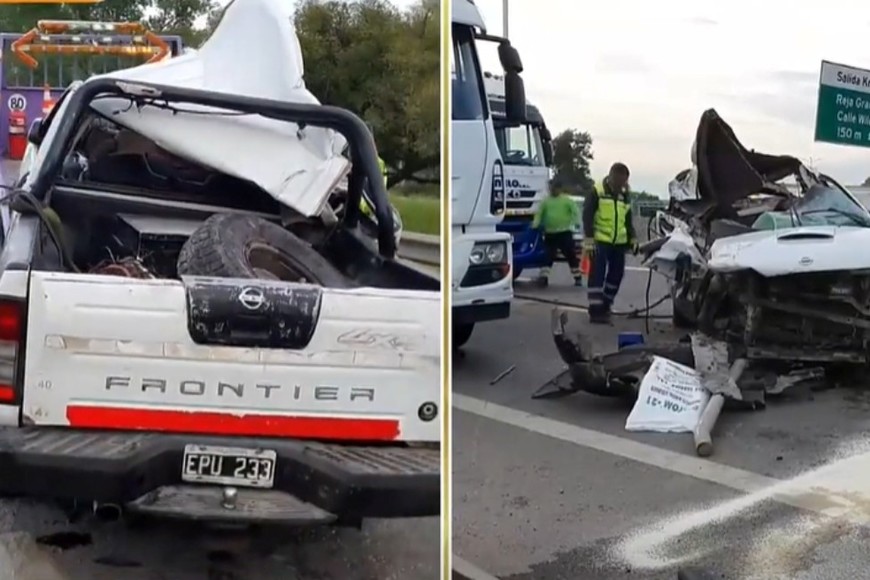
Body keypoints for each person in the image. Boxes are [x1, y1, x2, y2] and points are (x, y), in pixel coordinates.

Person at [582, 162, 639, 324]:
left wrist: (632, 238)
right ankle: (595, 311)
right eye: (620, 182)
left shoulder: (624, 194)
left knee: (617, 274)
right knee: (597, 276)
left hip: (619, 242)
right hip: (600, 240)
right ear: (612, 177)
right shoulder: (597, 192)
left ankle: (606, 304)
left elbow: (628, 220)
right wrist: (589, 239)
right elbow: (587, 215)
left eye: (625, 182)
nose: (622, 185)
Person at [532, 187, 583, 287]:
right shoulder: (546, 201)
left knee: (571, 255)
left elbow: (575, 212)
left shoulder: (566, 200)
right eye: (552, 189)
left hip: (564, 232)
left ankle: (577, 277)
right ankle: (543, 278)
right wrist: (535, 224)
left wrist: (575, 223)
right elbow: (539, 214)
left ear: (560, 190)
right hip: (550, 233)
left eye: (556, 189)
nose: (554, 191)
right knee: (547, 256)